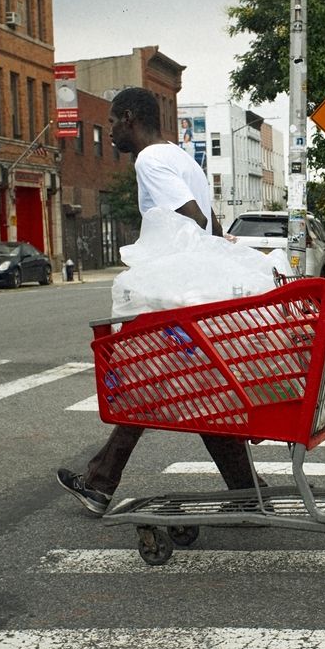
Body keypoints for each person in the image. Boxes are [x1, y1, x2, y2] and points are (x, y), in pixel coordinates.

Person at [57, 87, 262, 516]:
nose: (109, 130)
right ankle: (246, 489)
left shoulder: (150, 159)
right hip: (194, 293)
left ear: (129, 117)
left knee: (145, 384)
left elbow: (194, 216)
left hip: (175, 295)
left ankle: (98, 482)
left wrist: (159, 261)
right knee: (195, 392)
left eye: (112, 121)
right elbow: (210, 222)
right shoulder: (183, 158)